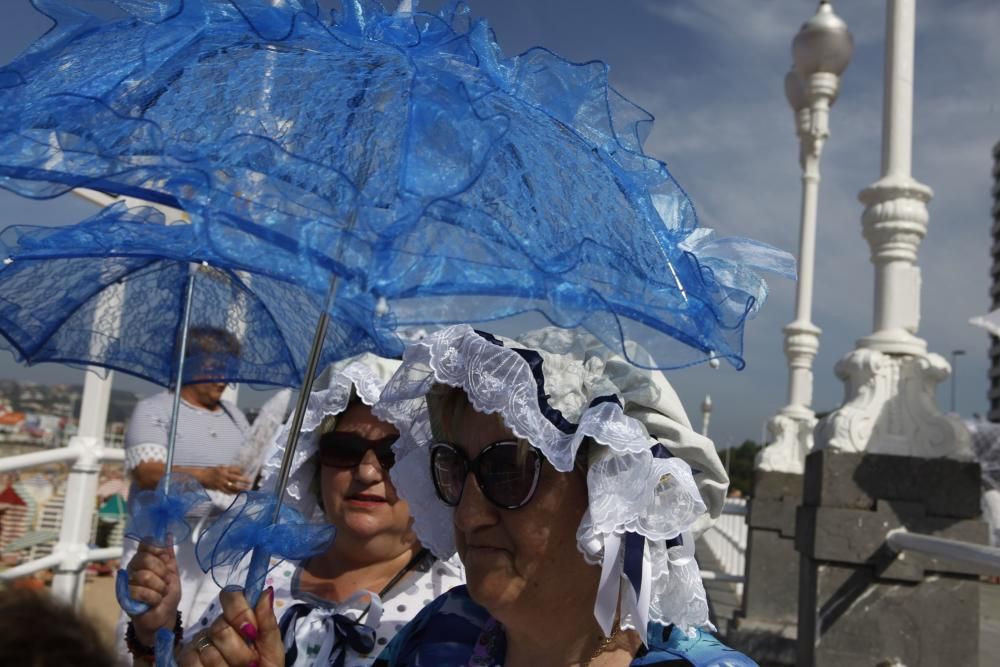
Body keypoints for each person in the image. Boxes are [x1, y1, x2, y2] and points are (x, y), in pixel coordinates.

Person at [368, 325, 756, 666]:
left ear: (615, 495)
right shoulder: (438, 634)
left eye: (508, 472)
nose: (468, 515)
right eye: (453, 468)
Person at [124, 353, 464, 666]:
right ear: (315, 465)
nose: (366, 472)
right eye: (344, 450)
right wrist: (155, 635)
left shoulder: (453, 609)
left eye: (395, 454)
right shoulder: (258, 575)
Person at [117, 326, 252, 662]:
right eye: (214, 366)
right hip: (165, 539)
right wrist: (207, 477)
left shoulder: (236, 416)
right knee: (145, 620)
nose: (224, 377)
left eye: (228, 367)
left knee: (202, 625)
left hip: (218, 539)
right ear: (188, 364)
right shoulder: (155, 409)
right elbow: (147, 472)